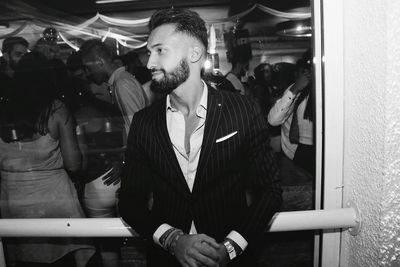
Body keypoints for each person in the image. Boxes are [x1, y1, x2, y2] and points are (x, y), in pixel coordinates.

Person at [118, 8, 282, 267]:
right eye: (149, 52)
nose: (149, 63)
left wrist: (230, 247)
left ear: (194, 53)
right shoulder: (144, 122)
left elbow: (270, 191)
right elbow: (129, 202)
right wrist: (173, 240)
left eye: (160, 50)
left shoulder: (241, 109)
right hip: (167, 260)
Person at [0, 51, 95, 267]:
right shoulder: (57, 110)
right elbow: (73, 164)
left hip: (13, 198)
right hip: (53, 199)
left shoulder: (3, 108)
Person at [79, 39, 148, 136]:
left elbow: (137, 128)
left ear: (99, 62)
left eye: (89, 68)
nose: (88, 73)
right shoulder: (120, 81)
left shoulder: (122, 84)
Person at [268, 50, 315, 176]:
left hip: (323, 150)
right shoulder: (298, 89)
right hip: (297, 153)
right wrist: (295, 89)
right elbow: (273, 120)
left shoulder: (329, 88)